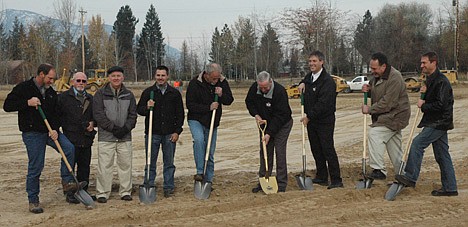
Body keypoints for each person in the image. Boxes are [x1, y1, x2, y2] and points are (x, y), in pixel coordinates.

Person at [3, 63, 77, 213]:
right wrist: (27, 103)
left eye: (53, 79)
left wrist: (55, 130)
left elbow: (56, 114)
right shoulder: (24, 88)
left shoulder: (51, 93)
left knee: (69, 148)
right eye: (50, 78)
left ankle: (67, 182)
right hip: (32, 133)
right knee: (36, 165)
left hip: (49, 132)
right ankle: (33, 199)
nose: (52, 81)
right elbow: (7, 105)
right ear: (41, 74)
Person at [396, 51, 458, 196]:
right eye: (421, 62)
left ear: (433, 63)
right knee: (442, 155)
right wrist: (425, 91)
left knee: (417, 143)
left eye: (424, 62)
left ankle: (410, 177)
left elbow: (441, 105)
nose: (421, 65)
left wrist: (423, 105)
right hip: (438, 122)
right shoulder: (431, 80)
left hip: (438, 122)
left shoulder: (441, 81)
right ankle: (450, 188)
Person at [137, 65, 184, 198]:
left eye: (163, 75)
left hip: (169, 134)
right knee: (150, 161)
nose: (160, 78)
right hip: (153, 133)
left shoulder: (174, 94)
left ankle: (168, 187)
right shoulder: (148, 92)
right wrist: (147, 107)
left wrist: (177, 132)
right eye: (158, 75)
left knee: (169, 162)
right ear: (155, 76)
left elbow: (180, 115)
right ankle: (149, 184)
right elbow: (139, 110)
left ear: (167, 76)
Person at [297, 50, 343, 189]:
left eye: (314, 61)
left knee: (327, 148)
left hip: (325, 121)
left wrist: (308, 116)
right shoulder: (310, 78)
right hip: (312, 121)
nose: (311, 64)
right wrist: (302, 83)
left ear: (321, 62)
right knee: (316, 149)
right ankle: (322, 176)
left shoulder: (327, 81)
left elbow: (324, 104)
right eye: (310, 61)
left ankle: (336, 179)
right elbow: (305, 81)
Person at [361, 52, 410, 180]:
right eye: (371, 68)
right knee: (393, 144)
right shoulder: (378, 76)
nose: (372, 71)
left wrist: (370, 109)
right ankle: (402, 173)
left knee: (375, 134)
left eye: (374, 68)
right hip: (386, 115)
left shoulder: (395, 78)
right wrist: (368, 90)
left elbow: (388, 102)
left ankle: (379, 170)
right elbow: (377, 91)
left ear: (383, 66)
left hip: (395, 116)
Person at [93, 66, 137, 203]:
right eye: (113, 76)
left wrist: (125, 128)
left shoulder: (129, 95)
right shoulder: (100, 94)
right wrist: (113, 128)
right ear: (109, 78)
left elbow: (133, 115)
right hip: (106, 137)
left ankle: (125, 191)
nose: (116, 78)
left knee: (125, 165)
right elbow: (98, 115)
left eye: (118, 76)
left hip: (125, 136)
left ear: (123, 77)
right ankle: (102, 193)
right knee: (105, 165)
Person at [245, 71, 293, 193]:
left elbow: (281, 116)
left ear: (271, 81)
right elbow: (249, 102)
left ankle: (281, 183)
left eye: (266, 87)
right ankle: (263, 180)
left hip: (282, 124)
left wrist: (269, 133)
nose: (264, 90)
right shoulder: (254, 89)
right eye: (261, 87)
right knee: (265, 151)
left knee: (280, 151)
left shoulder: (280, 91)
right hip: (265, 123)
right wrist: (256, 115)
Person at [186, 63, 234, 184]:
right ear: (206, 75)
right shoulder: (194, 83)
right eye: (214, 78)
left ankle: (208, 180)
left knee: (210, 151)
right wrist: (208, 107)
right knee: (198, 140)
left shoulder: (222, 82)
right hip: (196, 119)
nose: (216, 80)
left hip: (213, 122)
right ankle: (200, 171)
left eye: (217, 78)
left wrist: (221, 95)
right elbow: (190, 105)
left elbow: (229, 100)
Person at [57, 72, 97, 197]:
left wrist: (93, 123)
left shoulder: (91, 98)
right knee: (69, 166)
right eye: (78, 81)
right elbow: (57, 117)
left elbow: (95, 116)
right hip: (71, 139)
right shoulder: (63, 98)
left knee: (84, 167)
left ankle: (83, 191)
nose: (81, 83)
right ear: (73, 82)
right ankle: (70, 193)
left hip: (86, 138)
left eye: (83, 81)